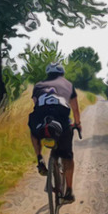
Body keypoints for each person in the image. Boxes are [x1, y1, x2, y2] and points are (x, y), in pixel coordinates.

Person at [28, 62, 81, 203]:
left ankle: (39, 157)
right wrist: (78, 124)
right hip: (61, 123)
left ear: (48, 73)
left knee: (34, 130)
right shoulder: (68, 85)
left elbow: (36, 103)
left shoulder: (38, 85)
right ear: (62, 73)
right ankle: (68, 191)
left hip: (42, 122)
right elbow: (75, 108)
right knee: (67, 157)